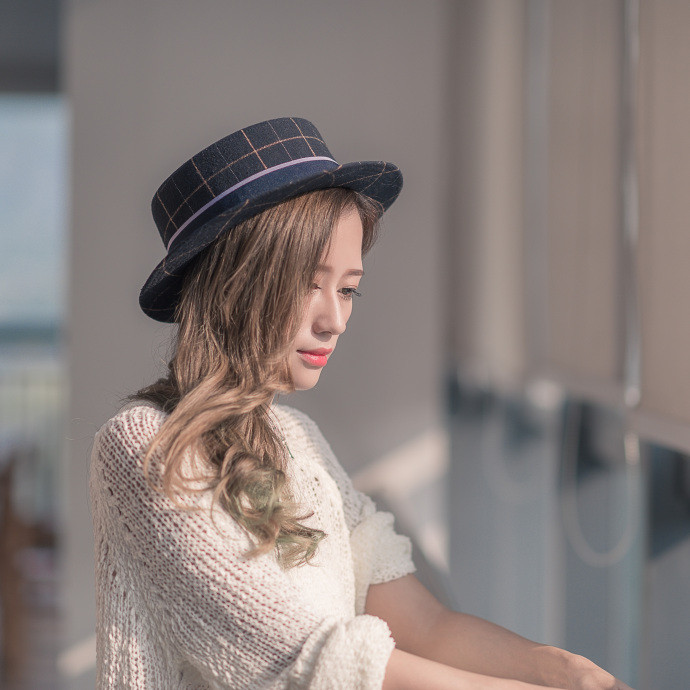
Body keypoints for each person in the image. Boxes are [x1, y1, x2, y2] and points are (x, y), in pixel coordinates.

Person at [89, 117, 633, 689]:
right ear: (236, 284)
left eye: (347, 288)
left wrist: (569, 672)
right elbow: (298, 657)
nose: (335, 320)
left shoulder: (298, 441)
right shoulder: (143, 445)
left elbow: (423, 624)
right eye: (307, 284)